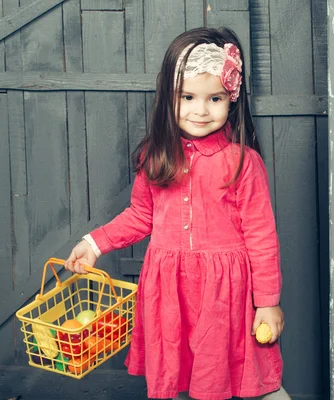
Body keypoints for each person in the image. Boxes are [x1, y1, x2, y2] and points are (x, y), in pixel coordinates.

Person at [65, 27, 290, 400]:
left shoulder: (242, 163)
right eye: (187, 97)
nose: (200, 110)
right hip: (169, 289)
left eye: (214, 98)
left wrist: (267, 302)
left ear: (232, 100)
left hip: (224, 292)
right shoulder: (155, 156)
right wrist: (94, 243)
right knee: (181, 374)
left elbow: (262, 235)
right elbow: (141, 215)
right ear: (168, 97)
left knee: (242, 375)